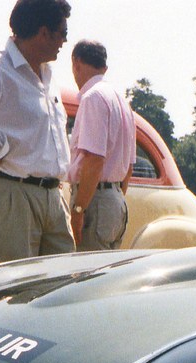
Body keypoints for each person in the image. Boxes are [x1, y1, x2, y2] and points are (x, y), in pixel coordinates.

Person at [0, 0, 74, 263]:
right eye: (63, 33)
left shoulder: (47, 75)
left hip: (53, 197)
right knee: (14, 294)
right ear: (43, 32)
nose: (64, 42)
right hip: (12, 195)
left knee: (62, 290)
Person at [67, 40, 137, 250]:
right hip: (115, 200)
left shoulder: (93, 97)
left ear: (76, 63)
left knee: (86, 277)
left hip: (94, 201)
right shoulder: (122, 102)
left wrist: (79, 210)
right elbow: (129, 166)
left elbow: (94, 159)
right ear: (104, 68)